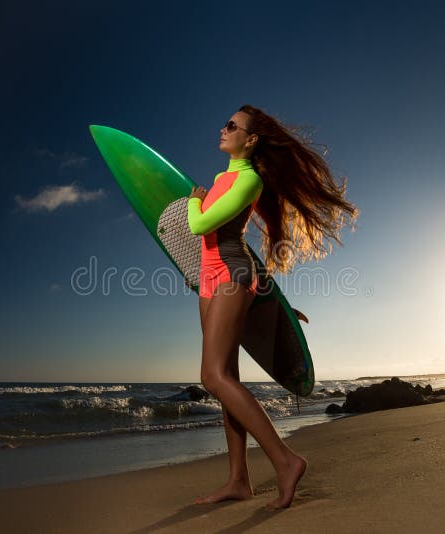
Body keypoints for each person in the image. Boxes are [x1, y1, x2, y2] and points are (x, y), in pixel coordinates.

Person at [186, 104, 358, 510]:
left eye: (232, 125)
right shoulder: (223, 177)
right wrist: (275, 302)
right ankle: (238, 481)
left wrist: (194, 201)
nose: (223, 128)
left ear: (251, 139)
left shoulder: (248, 182)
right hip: (209, 279)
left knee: (212, 377)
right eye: (225, 122)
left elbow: (201, 225)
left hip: (231, 275)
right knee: (225, 376)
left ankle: (286, 460)